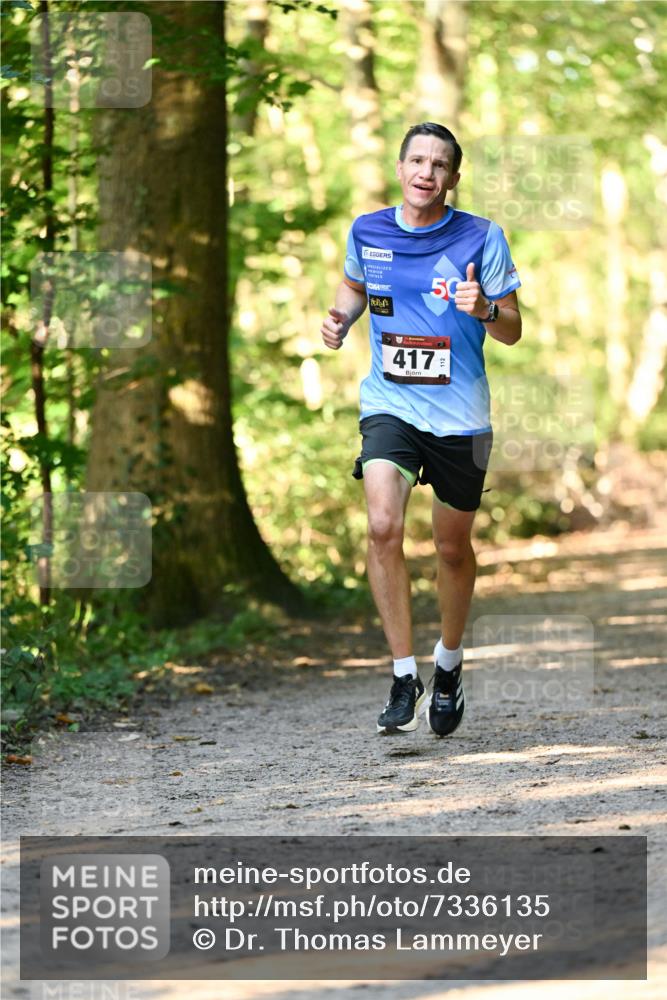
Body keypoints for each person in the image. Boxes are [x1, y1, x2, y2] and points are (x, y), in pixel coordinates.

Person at [321, 122, 522, 737]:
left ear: (453, 178)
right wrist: (341, 319)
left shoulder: (482, 237)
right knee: (383, 526)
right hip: (391, 404)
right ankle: (404, 675)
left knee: (452, 549)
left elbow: (512, 329)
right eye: (417, 161)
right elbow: (354, 288)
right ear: (400, 167)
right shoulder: (368, 231)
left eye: (439, 165)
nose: (426, 173)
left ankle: (449, 665)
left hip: (461, 416)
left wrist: (485, 308)